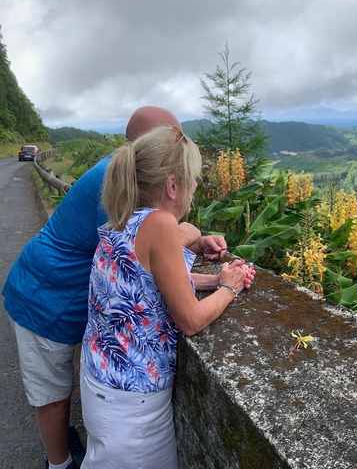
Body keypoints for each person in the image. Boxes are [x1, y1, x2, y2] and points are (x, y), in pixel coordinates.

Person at [2, 107, 229, 469]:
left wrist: (198, 258)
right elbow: (160, 274)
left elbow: (140, 271)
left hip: (102, 372)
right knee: (53, 396)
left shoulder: (125, 184)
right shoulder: (116, 184)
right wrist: (221, 281)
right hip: (44, 296)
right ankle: (58, 465)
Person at [80, 125, 254, 468]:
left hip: (100, 381)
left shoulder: (125, 216)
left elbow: (146, 287)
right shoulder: (159, 224)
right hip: (133, 406)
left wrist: (209, 279)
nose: (194, 187)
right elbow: (190, 320)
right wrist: (230, 286)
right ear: (172, 186)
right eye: (191, 179)